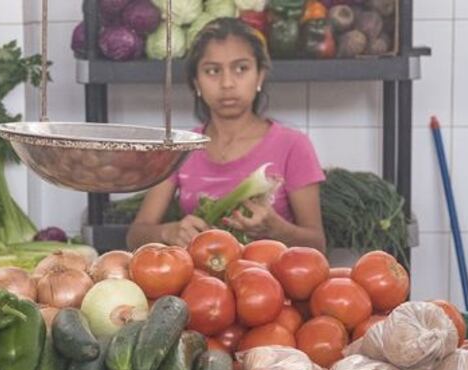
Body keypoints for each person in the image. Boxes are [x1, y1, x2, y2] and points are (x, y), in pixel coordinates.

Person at [126, 18, 327, 253]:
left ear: (260, 76)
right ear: (196, 82)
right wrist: (168, 232)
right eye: (212, 71)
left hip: (269, 283)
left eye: (241, 68)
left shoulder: (293, 145)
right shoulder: (180, 149)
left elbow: (317, 245)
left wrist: (277, 229)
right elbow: (135, 236)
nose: (227, 83)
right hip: (199, 282)